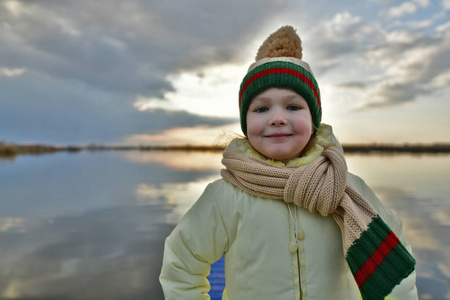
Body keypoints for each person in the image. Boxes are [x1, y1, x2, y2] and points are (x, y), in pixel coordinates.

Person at [159, 26, 418, 300]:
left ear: (314, 119)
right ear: (246, 123)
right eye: (261, 108)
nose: (277, 118)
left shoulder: (345, 188)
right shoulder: (225, 197)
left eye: (293, 106)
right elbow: (181, 265)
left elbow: (395, 262)